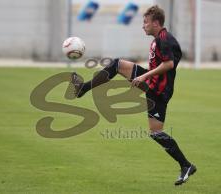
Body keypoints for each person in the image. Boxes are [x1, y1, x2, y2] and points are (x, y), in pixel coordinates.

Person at [71, 5, 196, 186]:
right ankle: (83, 88)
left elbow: (169, 64)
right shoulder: (157, 39)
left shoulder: (165, 40)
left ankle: (186, 166)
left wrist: (144, 76)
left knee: (155, 132)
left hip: (159, 91)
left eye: (145, 22)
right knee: (117, 64)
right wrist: (144, 73)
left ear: (156, 23)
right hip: (153, 83)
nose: (142, 26)